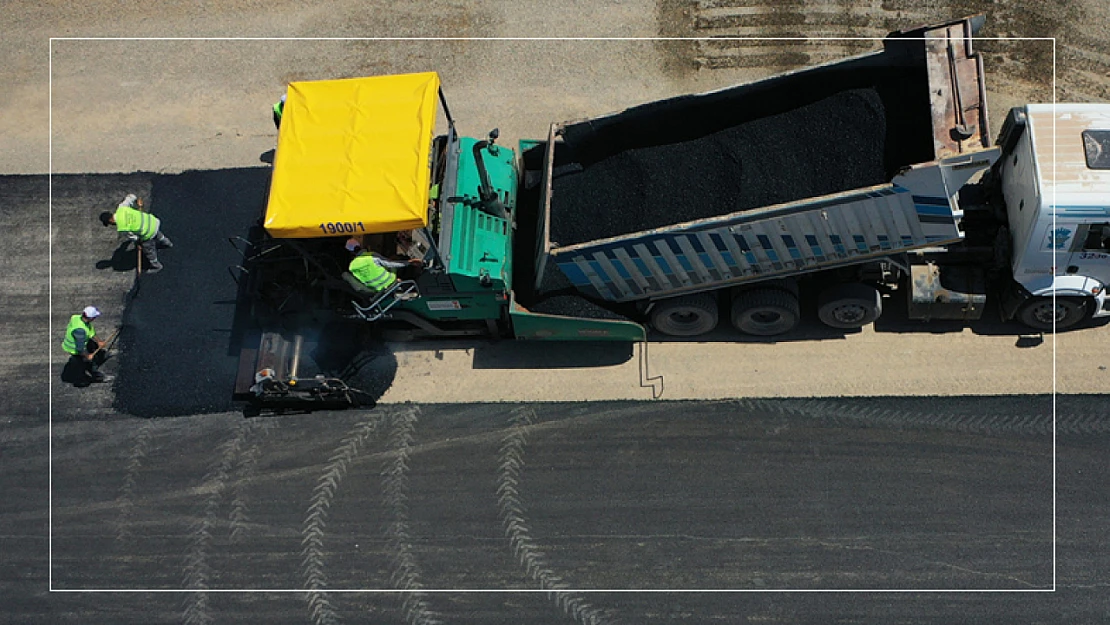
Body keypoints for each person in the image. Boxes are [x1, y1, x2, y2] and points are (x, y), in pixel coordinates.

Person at [99, 194, 173, 274]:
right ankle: (167, 243)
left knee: (148, 249)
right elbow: (131, 197)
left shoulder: (122, 228)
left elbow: (134, 238)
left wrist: (138, 243)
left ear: (110, 221)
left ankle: (156, 265)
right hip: (152, 221)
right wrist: (137, 201)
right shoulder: (121, 208)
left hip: (148, 232)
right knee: (156, 233)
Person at [345, 237, 422, 298]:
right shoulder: (371, 256)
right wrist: (409, 262)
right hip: (390, 282)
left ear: (351, 252)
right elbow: (390, 264)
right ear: (360, 246)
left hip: (377, 289)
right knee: (394, 260)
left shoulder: (352, 267)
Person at [61, 306, 110, 384]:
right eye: (94, 317)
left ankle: (98, 359)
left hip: (80, 344)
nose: (95, 318)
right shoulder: (80, 331)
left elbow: (91, 331)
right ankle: (97, 377)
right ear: (90, 318)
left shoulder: (76, 317)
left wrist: (99, 341)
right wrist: (87, 356)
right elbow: (80, 349)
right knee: (87, 363)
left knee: (92, 347)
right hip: (74, 350)